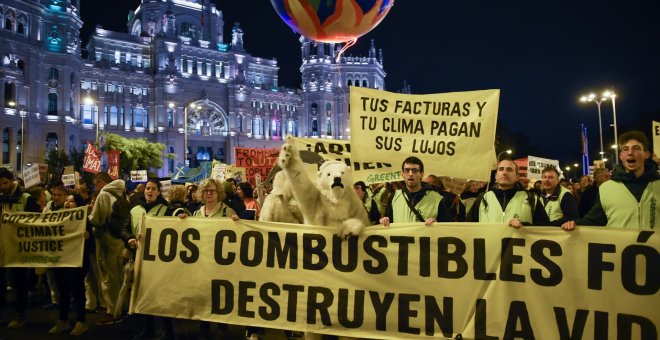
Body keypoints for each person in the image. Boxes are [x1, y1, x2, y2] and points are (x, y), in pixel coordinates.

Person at [563, 130, 659, 230]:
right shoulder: (606, 188)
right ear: (621, 156)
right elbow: (594, 220)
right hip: (621, 245)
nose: (630, 153)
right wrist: (573, 224)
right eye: (625, 149)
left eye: (636, 148)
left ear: (646, 154)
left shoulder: (658, 184)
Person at [122, 179, 176, 340]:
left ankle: (168, 330)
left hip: (160, 261)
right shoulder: (135, 209)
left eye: (153, 189)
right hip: (140, 258)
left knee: (162, 295)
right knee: (143, 294)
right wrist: (129, 238)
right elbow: (125, 229)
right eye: (147, 188)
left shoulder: (166, 209)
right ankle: (148, 328)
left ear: (159, 192)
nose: (149, 191)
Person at [186, 178, 238, 338]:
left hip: (220, 262)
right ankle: (204, 323)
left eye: (212, 190)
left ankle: (222, 323)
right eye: (206, 190)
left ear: (218, 193)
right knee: (203, 293)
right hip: (202, 261)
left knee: (219, 293)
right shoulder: (196, 213)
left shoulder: (227, 211)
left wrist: (236, 222)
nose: (209, 193)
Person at [47, 183, 91, 336]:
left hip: (77, 261)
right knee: (62, 291)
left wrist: (87, 236)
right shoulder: (56, 217)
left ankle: (81, 322)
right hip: (60, 260)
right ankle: (63, 320)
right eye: (67, 201)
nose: (67, 203)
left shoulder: (84, 220)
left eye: (71, 201)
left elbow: (92, 244)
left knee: (77, 290)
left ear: (78, 205)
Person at [0, 168, 42, 328]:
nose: (3, 187)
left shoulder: (26, 198)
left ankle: (20, 314)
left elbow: (37, 221)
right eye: (0, 184)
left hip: (19, 248)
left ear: (12, 181)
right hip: (2, 246)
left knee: (19, 283)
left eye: (5, 183)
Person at [88, 172, 129, 325]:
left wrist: (88, 216)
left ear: (100, 182)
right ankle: (123, 308)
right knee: (120, 275)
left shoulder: (104, 195)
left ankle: (112, 311)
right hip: (119, 240)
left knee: (108, 276)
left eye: (95, 183)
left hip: (106, 240)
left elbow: (97, 219)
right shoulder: (121, 194)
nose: (95, 187)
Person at [467, 159, 549, 227]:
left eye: (509, 170)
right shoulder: (482, 198)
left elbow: (545, 230)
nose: (504, 173)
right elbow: (468, 227)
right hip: (489, 246)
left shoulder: (531, 199)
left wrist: (524, 226)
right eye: (501, 169)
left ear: (517, 176)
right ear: (496, 176)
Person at [379, 157, 452, 226]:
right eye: (407, 170)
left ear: (422, 174)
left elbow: (447, 227)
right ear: (402, 174)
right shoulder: (394, 196)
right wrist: (384, 220)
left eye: (415, 171)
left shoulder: (436, 198)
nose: (410, 174)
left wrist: (437, 223)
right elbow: (388, 220)